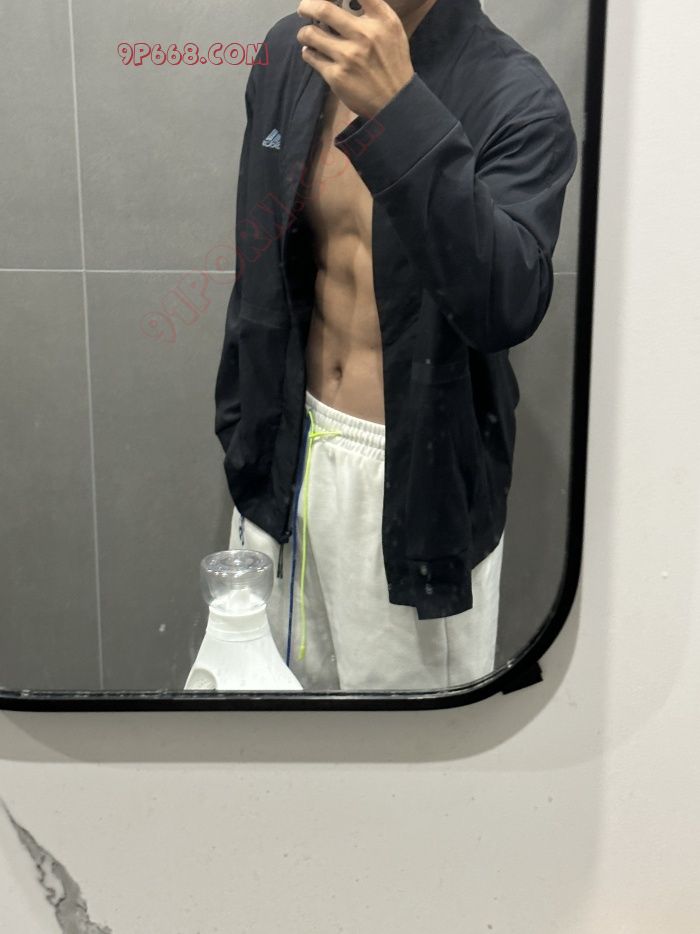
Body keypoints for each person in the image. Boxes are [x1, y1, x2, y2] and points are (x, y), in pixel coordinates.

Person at [214, 0, 578, 691]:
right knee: (264, 721)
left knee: (408, 744)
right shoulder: (291, 52)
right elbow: (260, 261)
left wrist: (399, 109)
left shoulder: (515, 93)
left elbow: (505, 305)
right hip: (283, 451)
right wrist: (243, 423)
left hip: (412, 483)